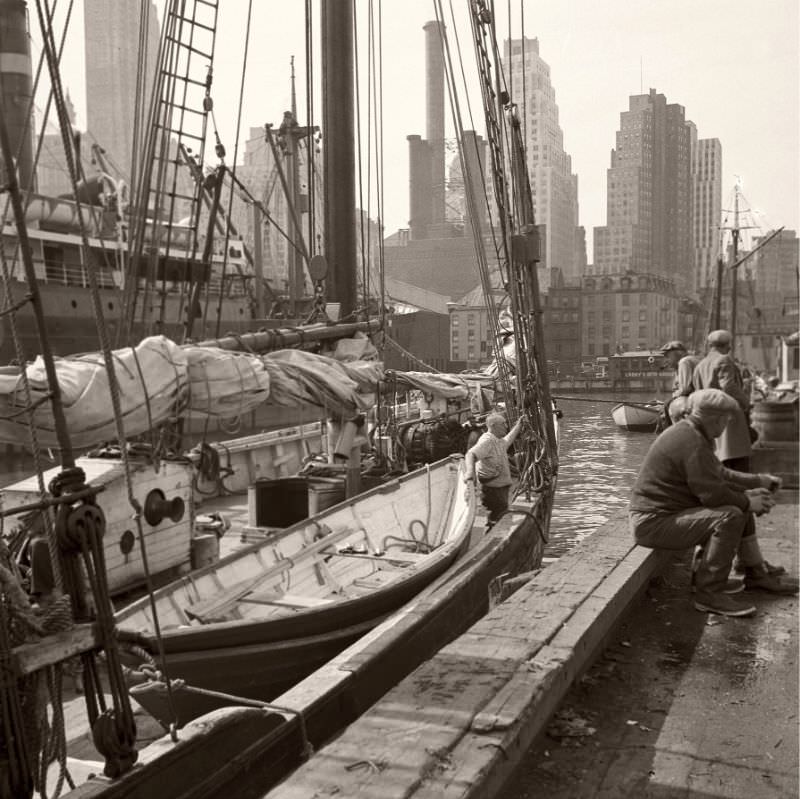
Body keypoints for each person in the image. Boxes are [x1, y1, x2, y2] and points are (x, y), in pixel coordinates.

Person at [629, 388, 797, 618]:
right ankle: (708, 593)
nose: (727, 424)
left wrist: (756, 482)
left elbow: (719, 475)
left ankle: (755, 573)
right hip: (653, 523)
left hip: (662, 516)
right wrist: (749, 502)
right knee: (731, 515)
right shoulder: (692, 441)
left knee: (740, 504)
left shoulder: (692, 434)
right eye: (726, 419)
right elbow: (713, 495)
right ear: (715, 418)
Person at [693, 329, 752, 470]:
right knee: (737, 462)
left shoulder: (700, 365)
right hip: (728, 419)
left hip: (709, 422)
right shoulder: (723, 360)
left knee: (719, 463)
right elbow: (729, 387)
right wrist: (746, 403)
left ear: (710, 345)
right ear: (728, 345)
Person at [463, 411, 523, 525]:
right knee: (498, 520)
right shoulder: (487, 440)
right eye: (503, 424)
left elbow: (508, 440)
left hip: (500, 490)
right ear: (493, 426)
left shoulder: (497, 440)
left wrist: (519, 425)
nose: (506, 426)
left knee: (499, 517)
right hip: (493, 492)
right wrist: (470, 472)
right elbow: (470, 454)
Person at [660, 340, 701, 424]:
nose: (666, 360)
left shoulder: (685, 362)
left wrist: (673, 399)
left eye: (668, 356)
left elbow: (685, 389)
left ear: (679, 353)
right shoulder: (688, 361)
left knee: (667, 405)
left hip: (691, 401)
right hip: (696, 399)